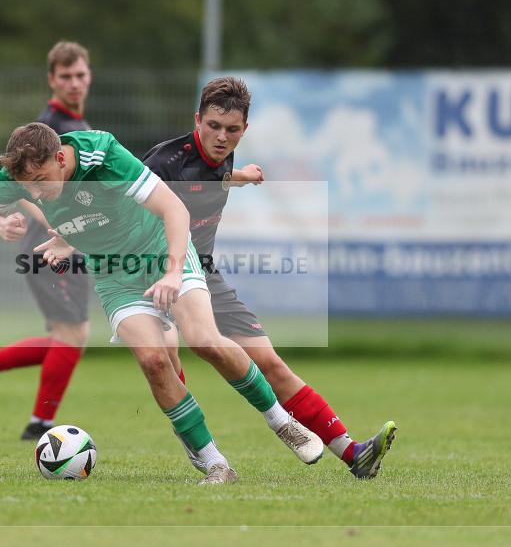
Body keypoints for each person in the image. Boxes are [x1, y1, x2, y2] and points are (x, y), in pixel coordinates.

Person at [0, 121, 325, 484]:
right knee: (153, 360)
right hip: (114, 274)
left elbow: (175, 210)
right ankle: (215, 463)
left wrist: (171, 273)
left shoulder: (103, 155)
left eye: (41, 181)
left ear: (61, 157)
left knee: (203, 339)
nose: (35, 194)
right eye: (27, 187)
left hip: (161, 249)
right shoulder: (21, 170)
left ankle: (282, 423)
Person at [142, 76, 397, 479]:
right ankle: (204, 451)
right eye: (213, 126)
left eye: (232, 130)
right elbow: (127, 203)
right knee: (167, 362)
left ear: (245, 129)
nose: (221, 137)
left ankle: (354, 454)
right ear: (197, 120)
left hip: (204, 274)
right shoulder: (164, 162)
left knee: (271, 364)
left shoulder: (223, 155)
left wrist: (241, 175)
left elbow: (213, 176)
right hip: (157, 275)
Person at [0, 41, 94, 440]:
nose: (74, 83)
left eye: (80, 74)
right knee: (72, 335)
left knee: (65, 336)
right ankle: (40, 427)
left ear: (89, 76)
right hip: (48, 243)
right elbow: (17, 185)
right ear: (52, 80)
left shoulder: (78, 126)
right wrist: (46, 224)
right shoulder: (50, 127)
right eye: (65, 76)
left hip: (66, 238)